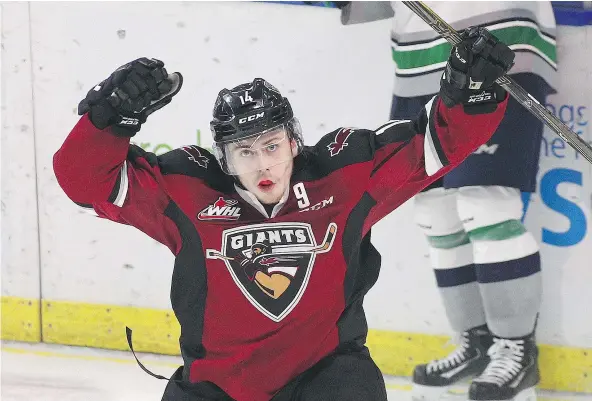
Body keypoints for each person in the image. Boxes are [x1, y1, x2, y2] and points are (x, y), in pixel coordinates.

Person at [53, 27, 513, 401]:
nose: (262, 164)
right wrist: (110, 117)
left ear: (294, 142)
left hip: (326, 378)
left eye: (272, 145)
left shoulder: (344, 175)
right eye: (245, 152)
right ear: (225, 158)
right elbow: (83, 179)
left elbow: (435, 144)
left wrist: (468, 91)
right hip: (220, 387)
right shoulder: (189, 190)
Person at [338, 2, 558, 401]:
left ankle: (516, 349)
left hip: (498, 38)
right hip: (421, 57)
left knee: (486, 204)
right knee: (434, 212)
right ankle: (476, 342)